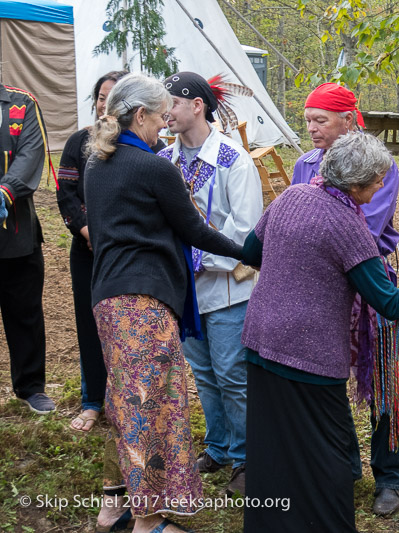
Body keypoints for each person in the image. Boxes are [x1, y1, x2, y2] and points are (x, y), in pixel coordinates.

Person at [240, 132, 399, 532]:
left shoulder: (291, 196)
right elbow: (391, 303)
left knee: (272, 450)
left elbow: (250, 253)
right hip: (308, 358)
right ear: (354, 185)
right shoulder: (348, 227)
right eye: (377, 181)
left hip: (260, 341)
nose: (381, 188)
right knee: (329, 459)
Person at [84, 73, 244, 533]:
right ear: (139, 115)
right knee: (149, 406)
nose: (165, 124)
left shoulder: (100, 162)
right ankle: (148, 523)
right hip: (144, 302)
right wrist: (253, 251)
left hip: (108, 298)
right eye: (158, 116)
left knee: (124, 402)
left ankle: (115, 507)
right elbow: (195, 230)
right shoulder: (155, 166)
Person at [291, 82, 399, 516]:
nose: (313, 129)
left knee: (381, 381)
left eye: (321, 120)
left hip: (369, 288)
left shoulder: (381, 165)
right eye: (308, 121)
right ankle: (343, 466)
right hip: (322, 291)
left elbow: (364, 230)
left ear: (347, 119)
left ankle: (390, 475)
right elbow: (301, 220)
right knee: (326, 378)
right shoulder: (305, 164)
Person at [158, 71, 262, 497]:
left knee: (233, 375)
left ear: (196, 104)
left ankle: (246, 457)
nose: (166, 112)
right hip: (183, 292)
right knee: (202, 373)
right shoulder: (164, 161)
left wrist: (197, 254)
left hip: (226, 290)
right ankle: (217, 447)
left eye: (173, 104)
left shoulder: (232, 160)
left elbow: (246, 231)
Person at [57, 70, 129, 433]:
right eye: (101, 97)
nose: (105, 104)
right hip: (87, 250)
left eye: (114, 97)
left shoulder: (141, 147)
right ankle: (92, 401)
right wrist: (90, 232)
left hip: (127, 253)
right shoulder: (78, 143)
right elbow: (67, 195)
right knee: (90, 323)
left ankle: (129, 400)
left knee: (126, 325)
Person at [0, 83, 54, 414]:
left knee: (25, 311)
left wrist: (5, 191)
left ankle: (31, 386)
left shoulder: (22, 104)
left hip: (16, 232)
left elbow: (31, 153)